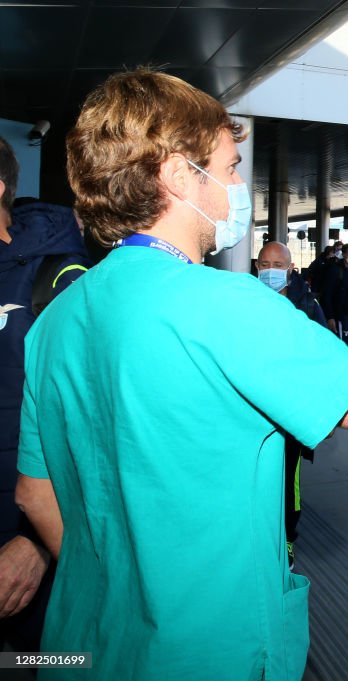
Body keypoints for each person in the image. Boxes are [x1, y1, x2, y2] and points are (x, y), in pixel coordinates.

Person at [14, 68, 348, 681]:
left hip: (85, 644)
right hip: (210, 651)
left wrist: (123, 583)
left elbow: (36, 495)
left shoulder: (56, 318)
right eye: (226, 168)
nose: (234, 187)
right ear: (177, 176)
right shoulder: (226, 302)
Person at [0, 135, 89, 652]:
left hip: (29, 549)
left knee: (55, 662)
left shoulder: (55, 280)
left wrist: (39, 541)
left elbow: (91, 422)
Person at [256, 240, 328, 568]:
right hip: (252, 413)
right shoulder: (244, 301)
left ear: (290, 269)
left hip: (290, 416)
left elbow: (325, 358)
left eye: (277, 265)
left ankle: (286, 540)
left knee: (288, 484)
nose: (270, 272)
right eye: (264, 265)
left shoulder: (307, 307)